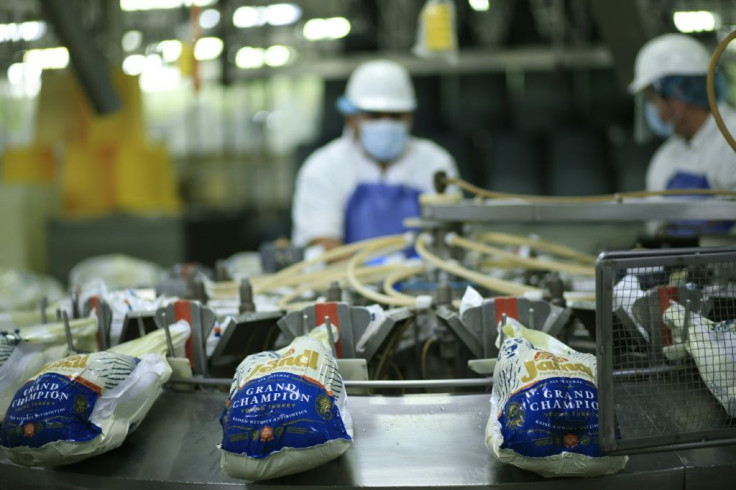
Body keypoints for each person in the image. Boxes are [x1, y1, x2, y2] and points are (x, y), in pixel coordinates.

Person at [291, 59, 459, 249]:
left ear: (410, 117)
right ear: (351, 117)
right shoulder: (323, 167)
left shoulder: (436, 163)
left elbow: (450, 238)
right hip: (347, 276)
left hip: (424, 276)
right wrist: (366, 273)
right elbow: (322, 241)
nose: (385, 124)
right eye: (374, 115)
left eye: (395, 116)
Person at [629, 33, 736, 235]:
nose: (651, 109)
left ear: (677, 95)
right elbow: (656, 232)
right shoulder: (665, 159)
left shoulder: (731, 141)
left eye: (652, 99)